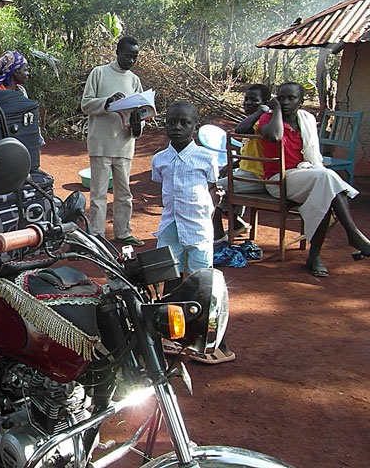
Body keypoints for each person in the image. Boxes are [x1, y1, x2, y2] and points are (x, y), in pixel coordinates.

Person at [152, 101, 235, 364]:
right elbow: (162, 187)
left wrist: (208, 214)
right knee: (171, 279)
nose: (177, 127)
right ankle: (170, 334)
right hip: (170, 226)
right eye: (172, 122)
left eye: (184, 123)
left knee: (203, 285)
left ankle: (212, 342)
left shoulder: (206, 158)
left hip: (198, 227)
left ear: (194, 127)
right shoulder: (160, 159)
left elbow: (212, 188)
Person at [258, 82, 370, 278]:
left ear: (300, 102)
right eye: (281, 98)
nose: (285, 102)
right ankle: (351, 235)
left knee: (325, 190)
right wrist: (276, 111)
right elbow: (274, 136)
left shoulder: (306, 119)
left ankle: (315, 256)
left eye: (291, 98)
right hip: (278, 180)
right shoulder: (268, 118)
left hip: (306, 173)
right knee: (326, 180)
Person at [81, 36, 144, 245]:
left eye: (134, 57)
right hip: (100, 143)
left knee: (124, 193)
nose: (131, 61)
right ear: (117, 53)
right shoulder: (99, 73)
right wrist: (108, 101)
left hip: (124, 144)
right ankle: (97, 234)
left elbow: (141, 111)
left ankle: (123, 232)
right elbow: (86, 104)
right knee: (98, 193)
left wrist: (138, 123)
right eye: (127, 56)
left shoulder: (134, 80)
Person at [212, 84, 271, 242]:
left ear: (265, 103)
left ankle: (218, 237)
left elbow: (240, 129)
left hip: (257, 177)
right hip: (247, 173)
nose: (248, 103)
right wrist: (233, 165)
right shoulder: (254, 121)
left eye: (254, 100)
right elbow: (252, 155)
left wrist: (262, 111)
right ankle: (238, 224)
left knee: (211, 188)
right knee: (227, 180)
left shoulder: (261, 122)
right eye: (246, 99)